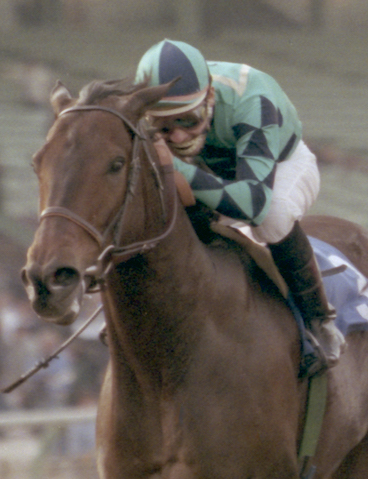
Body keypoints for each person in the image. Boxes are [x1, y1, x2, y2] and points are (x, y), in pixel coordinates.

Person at [133, 39, 343, 373]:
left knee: (272, 218)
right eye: (163, 126)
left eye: (188, 119)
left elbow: (254, 204)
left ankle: (319, 317)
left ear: (210, 97)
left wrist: (178, 169)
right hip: (212, 170)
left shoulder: (252, 101)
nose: (177, 136)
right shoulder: (156, 117)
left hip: (280, 166)